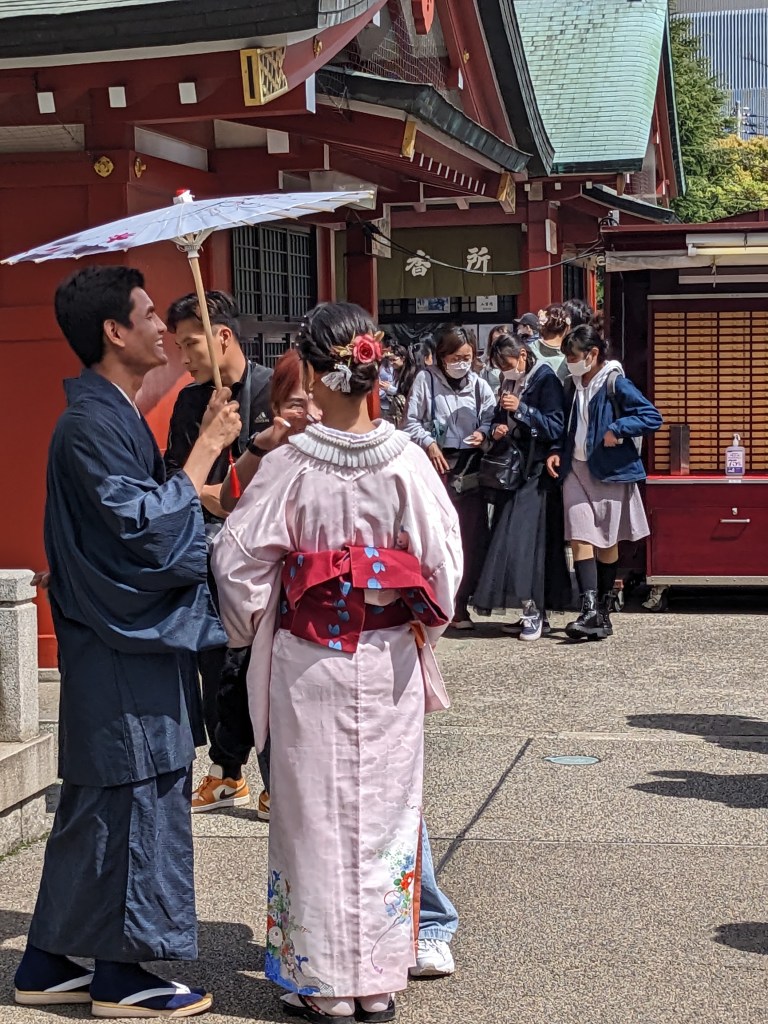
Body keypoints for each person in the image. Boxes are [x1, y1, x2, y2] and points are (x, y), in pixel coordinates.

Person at [211, 301, 463, 1022]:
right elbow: (443, 569)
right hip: (386, 659)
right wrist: (414, 627)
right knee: (385, 814)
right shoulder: (408, 461)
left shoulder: (290, 463)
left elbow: (237, 566)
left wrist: (252, 624)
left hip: (310, 660)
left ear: (317, 374)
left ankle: (320, 977)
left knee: (312, 817)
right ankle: (378, 978)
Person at [14, 266, 241, 1017]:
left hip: (118, 645)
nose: (161, 329)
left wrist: (236, 446)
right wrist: (203, 449)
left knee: (97, 811)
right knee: (139, 801)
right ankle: (125, 975)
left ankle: (48, 961)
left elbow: (151, 508)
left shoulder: (107, 417)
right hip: (122, 646)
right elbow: (143, 533)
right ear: (115, 332)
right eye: (147, 315)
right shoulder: (88, 426)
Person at [164, 290, 272, 816]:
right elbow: (178, 480)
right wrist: (215, 491)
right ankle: (228, 771)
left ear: (221, 334)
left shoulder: (275, 389)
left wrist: (221, 493)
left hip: (266, 552)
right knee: (217, 664)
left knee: (265, 663)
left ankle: (275, 777)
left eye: (191, 344)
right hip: (208, 548)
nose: (184, 358)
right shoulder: (190, 402)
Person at [547, 323, 662, 640]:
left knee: (607, 542)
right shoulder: (572, 384)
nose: (569, 362)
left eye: (573, 356)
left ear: (592, 354)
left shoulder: (614, 381)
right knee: (580, 535)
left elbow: (652, 416)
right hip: (575, 469)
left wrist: (619, 428)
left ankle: (603, 612)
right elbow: (566, 426)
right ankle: (588, 610)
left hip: (608, 470)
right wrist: (557, 451)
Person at [473, 332, 568, 640]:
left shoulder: (545, 380)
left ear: (524, 356)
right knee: (511, 539)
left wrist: (523, 410)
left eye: (509, 363)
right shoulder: (511, 382)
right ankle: (530, 608)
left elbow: (556, 425)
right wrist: (497, 427)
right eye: (501, 366)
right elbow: (502, 417)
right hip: (515, 471)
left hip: (537, 472)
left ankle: (535, 611)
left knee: (526, 542)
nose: (505, 371)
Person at [404, 325, 495, 629]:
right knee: (436, 535)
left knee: (471, 537)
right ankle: (436, 598)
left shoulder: (480, 386)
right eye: (455, 357)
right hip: (437, 466)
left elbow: (491, 418)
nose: (462, 363)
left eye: (467, 357)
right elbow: (411, 423)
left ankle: (462, 601)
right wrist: (429, 443)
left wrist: (483, 433)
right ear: (441, 357)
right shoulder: (425, 381)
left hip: (470, 467)